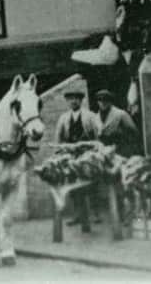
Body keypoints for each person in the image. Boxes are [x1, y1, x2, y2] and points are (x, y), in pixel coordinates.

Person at [55, 89, 101, 231]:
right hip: (71, 156)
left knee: (91, 183)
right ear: (68, 101)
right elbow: (59, 137)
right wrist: (59, 153)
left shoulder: (90, 116)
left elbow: (98, 134)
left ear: (81, 101)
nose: (73, 101)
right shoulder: (63, 118)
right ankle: (77, 215)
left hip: (87, 153)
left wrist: (97, 150)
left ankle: (94, 213)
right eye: (71, 99)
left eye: (76, 99)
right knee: (73, 185)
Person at [94, 90, 140, 157]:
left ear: (110, 102)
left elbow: (134, 133)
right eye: (100, 100)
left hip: (120, 150)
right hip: (104, 153)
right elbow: (97, 137)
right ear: (97, 102)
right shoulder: (96, 117)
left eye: (106, 100)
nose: (103, 103)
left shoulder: (120, 114)